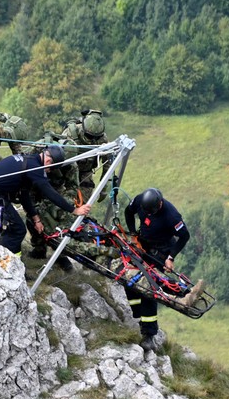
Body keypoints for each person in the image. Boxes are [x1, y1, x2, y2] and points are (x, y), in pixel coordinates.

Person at [0, 145, 92, 256]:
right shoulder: (35, 168)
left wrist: (36, 219)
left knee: (13, 229)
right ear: (49, 162)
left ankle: (9, 263)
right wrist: (74, 210)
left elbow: (24, 195)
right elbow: (49, 192)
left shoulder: (28, 160)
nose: (48, 172)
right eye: (51, 169)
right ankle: (7, 266)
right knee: (17, 230)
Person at [124, 187, 201, 351]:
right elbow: (128, 212)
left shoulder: (171, 215)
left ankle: (149, 335)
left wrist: (171, 257)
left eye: (153, 211)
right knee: (129, 278)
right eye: (147, 212)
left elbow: (184, 236)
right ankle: (137, 314)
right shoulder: (141, 201)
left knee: (150, 286)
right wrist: (132, 235)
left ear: (160, 203)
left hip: (162, 249)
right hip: (143, 244)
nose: (150, 214)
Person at [22, 133, 81, 271]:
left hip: (55, 189)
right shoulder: (37, 152)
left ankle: (61, 254)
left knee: (56, 221)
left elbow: (73, 188)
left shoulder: (71, 166)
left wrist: (61, 203)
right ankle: (39, 248)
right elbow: (23, 165)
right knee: (32, 216)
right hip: (32, 184)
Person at [62, 109, 112, 204]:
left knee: (83, 206)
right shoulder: (70, 133)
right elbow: (58, 156)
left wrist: (103, 188)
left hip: (85, 173)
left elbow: (107, 165)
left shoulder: (103, 140)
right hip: (67, 173)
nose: (92, 140)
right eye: (89, 136)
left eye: (96, 137)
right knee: (66, 203)